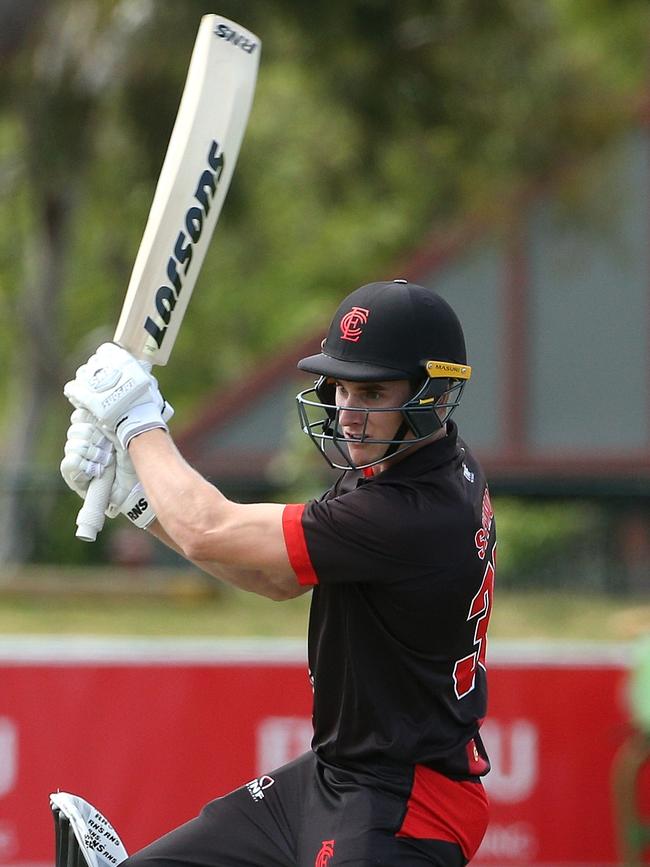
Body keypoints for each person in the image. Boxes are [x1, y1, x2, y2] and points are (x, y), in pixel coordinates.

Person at [61, 279, 496, 867]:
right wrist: (138, 500)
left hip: (405, 805)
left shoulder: (408, 511)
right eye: (341, 388)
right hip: (339, 774)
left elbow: (209, 527)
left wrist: (138, 424)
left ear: (435, 394)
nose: (348, 413)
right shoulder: (411, 465)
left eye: (372, 393)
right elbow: (274, 577)